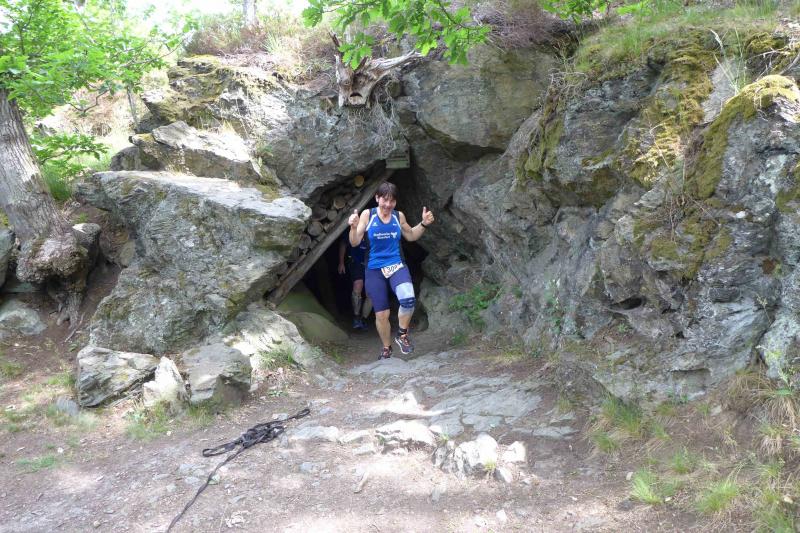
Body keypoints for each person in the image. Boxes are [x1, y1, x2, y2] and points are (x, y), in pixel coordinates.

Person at [348, 181, 435, 359]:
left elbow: (411, 235)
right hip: (374, 269)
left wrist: (424, 224)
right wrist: (353, 227)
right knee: (382, 314)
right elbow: (355, 242)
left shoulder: (398, 216)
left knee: (408, 299)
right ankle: (386, 348)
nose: (388, 204)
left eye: (392, 201)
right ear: (377, 198)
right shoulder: (368, 215)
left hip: (396, 265)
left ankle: (402, 335)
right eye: (385, 200)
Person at [338, 232, 372, 330]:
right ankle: (356, 318)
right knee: (357, 287)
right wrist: (341, 262)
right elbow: (343, 243)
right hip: (356, 262)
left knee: (371, 292)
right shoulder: (353, 229)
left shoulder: (374, 227)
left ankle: (364, 319)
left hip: (371, 264)